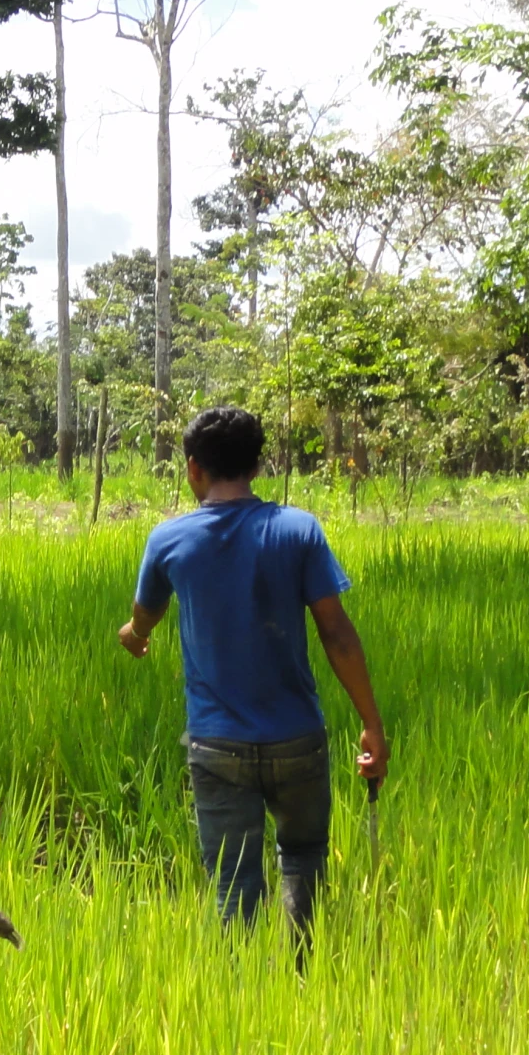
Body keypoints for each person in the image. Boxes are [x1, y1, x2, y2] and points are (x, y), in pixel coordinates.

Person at [117, 406, 389, 962]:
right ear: (257, 464)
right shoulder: (298, 530)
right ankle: (299, 979)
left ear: (193, 469)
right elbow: (336, 632)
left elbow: (143, 619)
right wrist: (371, 724)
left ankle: (244, 996)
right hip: (298, 739)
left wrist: (134, 636)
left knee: (235, 884)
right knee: (305, 857)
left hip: (217, 747)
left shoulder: (168, 541)